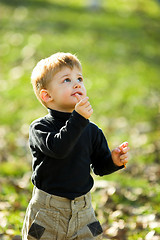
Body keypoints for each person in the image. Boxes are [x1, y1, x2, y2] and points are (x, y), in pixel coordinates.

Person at [22, 52, 129, 240]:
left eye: (79, 78)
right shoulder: (40, 128)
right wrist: (78, 119)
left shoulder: (91, 130)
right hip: (47, 212)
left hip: (83, 211)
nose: (77, 83)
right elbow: (58, 148)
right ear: (47, 95)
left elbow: (99, 167)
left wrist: (113, 161)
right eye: (66, 80)